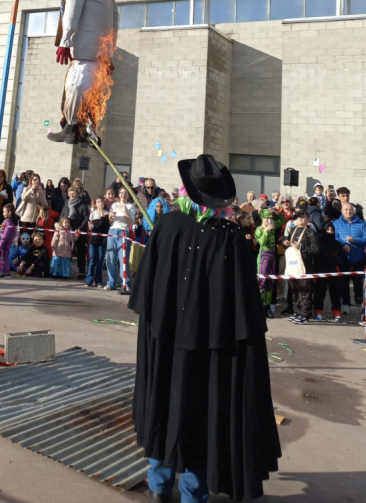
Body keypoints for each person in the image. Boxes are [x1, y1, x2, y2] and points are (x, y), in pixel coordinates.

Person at [129, 154, 280, 502]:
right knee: (200, 414)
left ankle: (160, 485)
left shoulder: (166, 226)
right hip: (207, 350)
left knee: (166, 406)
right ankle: (187, 492)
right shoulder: (228, 236)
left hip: (170, 344)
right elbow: (245, 310)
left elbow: (148, 295)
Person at [47, 0, 119, 144]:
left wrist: (65, 42)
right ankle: (84, 131)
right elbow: (115, 22)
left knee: (74, 89)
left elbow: (71, 13)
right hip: (98, 60)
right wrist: (109, 56)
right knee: (87, 98)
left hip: (84, 58)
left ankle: (71, 129)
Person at [283, 209, 320, 324]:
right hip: (292, 265)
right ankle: (297, 312)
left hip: (305, 265)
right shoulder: (293, 229)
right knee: (294, 290)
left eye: (303, 217)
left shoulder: (310, 232)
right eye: (298, 217)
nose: (300, 219)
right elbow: (288, 241)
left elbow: (316, 250)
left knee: (305, 291)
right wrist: (286, 242)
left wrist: (300, 247)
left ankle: (305, 315)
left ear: (308, 219)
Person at [334, 202, 366, 312]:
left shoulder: (362, 223)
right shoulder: (336, 223)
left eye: (351, 210)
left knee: (359, 282)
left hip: (359, 257)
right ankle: (346, 304)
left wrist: (355, 240)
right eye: (346, 210)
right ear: (342, 211)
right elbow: (335, 238)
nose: (349, 212)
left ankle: (360, 301)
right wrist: (343, 244)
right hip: (343, 257)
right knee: (344, 283)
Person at [105, 187, 135, 290]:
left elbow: (130, 222)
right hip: (113, 231)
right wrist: (110, 217)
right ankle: (111, 282)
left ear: (128, 195)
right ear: (119, 194)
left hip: (123, 232)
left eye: (125, 193)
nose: (123, 194)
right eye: (121, 193)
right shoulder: (114, 205)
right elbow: (110, 221)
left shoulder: (131, 206)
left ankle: (125, 283)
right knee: (110, 258)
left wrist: (125, 212)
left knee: (123, 259)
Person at [313, 222, 343, 322]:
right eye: (328, 230)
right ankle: (318, 311)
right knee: (319, 293)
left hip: (334, 271)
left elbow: (343, 259)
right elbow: (316, 258)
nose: (330, 232)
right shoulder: (320, 243)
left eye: (332, 230)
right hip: (321, 270)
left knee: (335, 293)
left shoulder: (338, 244)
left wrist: (345, 270)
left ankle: (337, 312)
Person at [61, 186, 90, 279]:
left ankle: (81, 271)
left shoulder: (83, 205)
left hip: (79, 232)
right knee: (65, 251)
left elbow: (86, 218)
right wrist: (61, 225)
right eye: (70, 194)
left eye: (73, 193)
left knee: (81, 252)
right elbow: (62, 216)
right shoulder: (66, 204)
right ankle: (64, 270)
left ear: (77, 194)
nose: (71, 195)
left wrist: (80, 229)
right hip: (67, 231)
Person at [255, 211, 277, 319]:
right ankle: (259, 307)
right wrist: (266, 231)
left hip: (273, 255)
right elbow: (262, 243)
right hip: (264, 256)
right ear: (262, 218)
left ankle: (267, 307)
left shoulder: (272, 226)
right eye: (266, 218)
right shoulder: (259, 229)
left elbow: (282, 220)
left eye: (270, 217)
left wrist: (276, 212)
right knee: (262, 282)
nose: (269, 219)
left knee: (270, 282)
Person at [87, 196, 109, 288]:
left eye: (101, 202)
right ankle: (89, 279)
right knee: (92, 259)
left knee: (100, 260)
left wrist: (102, 215)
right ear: (95, 204)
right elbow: (91, 225)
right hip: (93, 239)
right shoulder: (93, 213)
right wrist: (90, 227)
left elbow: (105, 225)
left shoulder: (107, 213)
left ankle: (99, 280)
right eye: (98, 202)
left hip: (102, 240)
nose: (100, 203)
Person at [0, 202, 18, 279]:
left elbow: (5, 235)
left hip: (4, 242)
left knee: (4, 257)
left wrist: (0, 246)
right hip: (5, 241)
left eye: (4, 212)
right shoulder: (9, 221)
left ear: (9, 212)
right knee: (0, 256)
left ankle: (6, 273)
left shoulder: (8, 222)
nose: (3, 213)